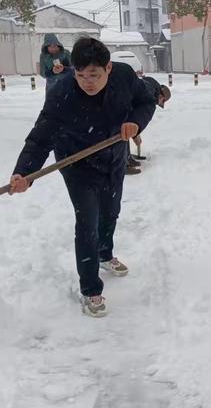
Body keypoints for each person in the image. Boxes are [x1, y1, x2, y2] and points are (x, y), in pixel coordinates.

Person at [9, 37, 157, 318]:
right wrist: (24, 172)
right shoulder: (62, 92)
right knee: (87, 220)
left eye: (94, 75)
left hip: (113, 155)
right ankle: (91, 289)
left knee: (111, 210)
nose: (87, 81)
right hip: (76, 163)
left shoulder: (124, 77)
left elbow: (145, 101)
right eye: (81, 75)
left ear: (109, 68)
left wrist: (135, 121)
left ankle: (105, 253)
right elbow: (41, 138)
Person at [126, 77, 171, 175]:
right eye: (163, 101)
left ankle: (127, 158)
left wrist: (135, 133)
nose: (160, 104)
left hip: (121, 108)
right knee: (122, 131)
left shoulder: (150, 86)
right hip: (120, 108)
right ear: (161, 96)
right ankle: (123, 162)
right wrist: (135, 132)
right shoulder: (150, 93)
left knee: (124, 130)